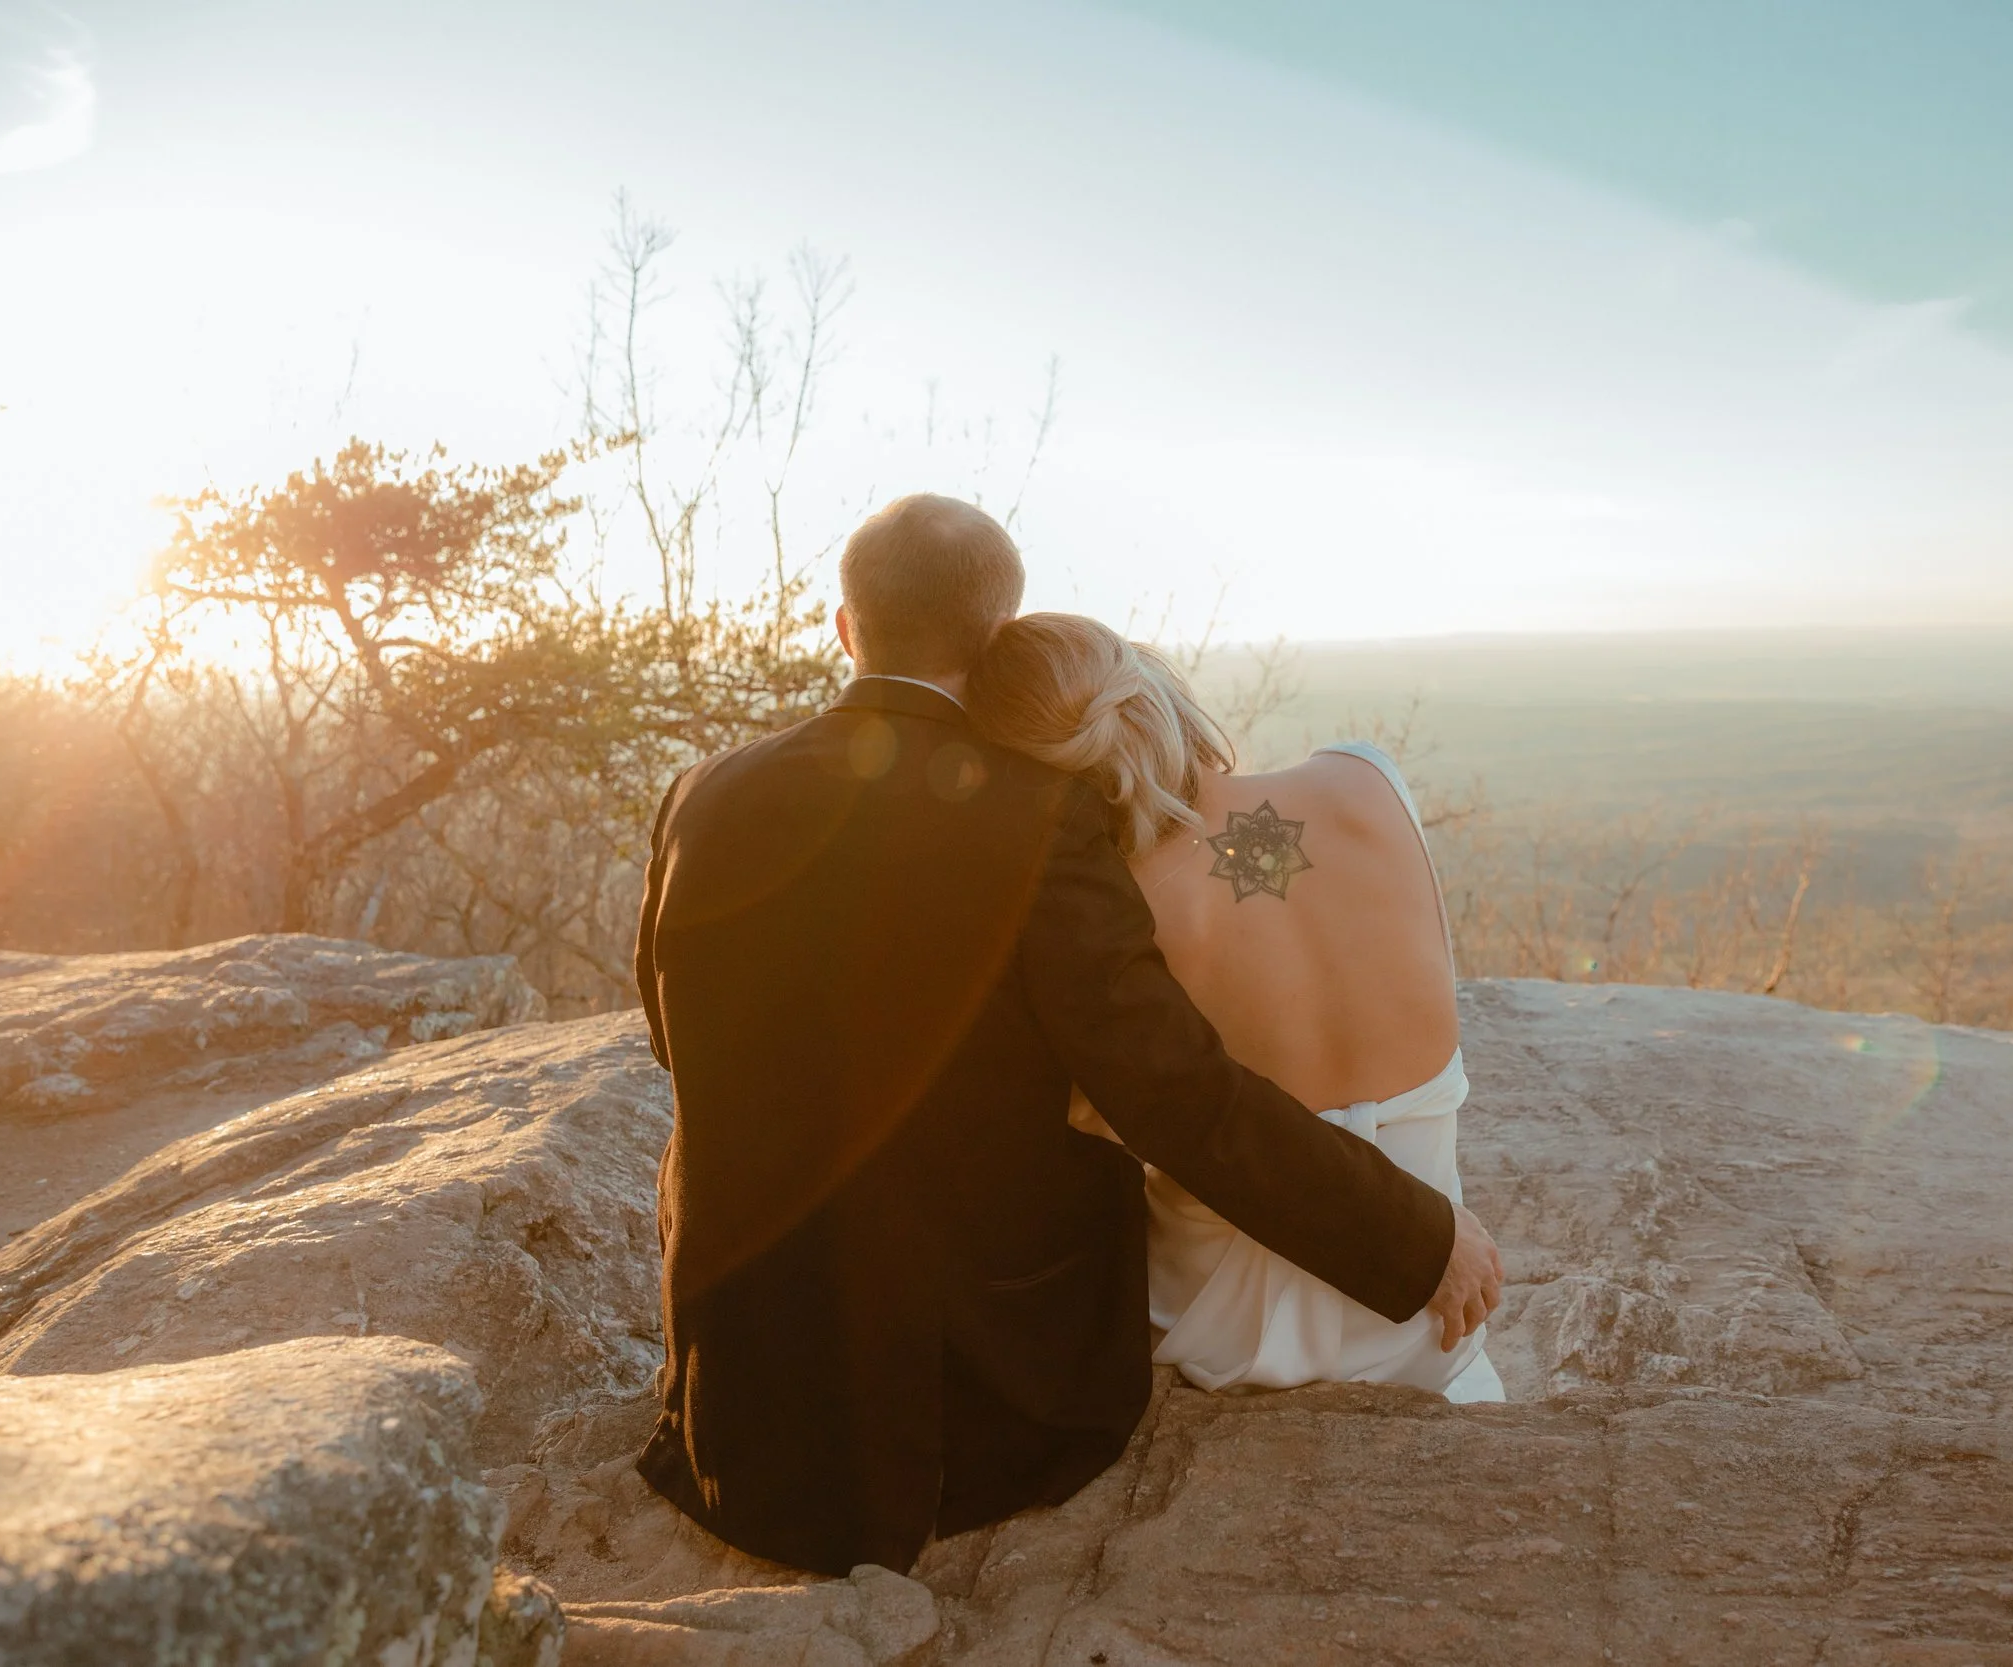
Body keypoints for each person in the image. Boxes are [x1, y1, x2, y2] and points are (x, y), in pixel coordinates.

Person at [633, 494, 1504, 1577]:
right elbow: (1171, 1092)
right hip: (980, 1416)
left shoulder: (702, 793)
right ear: (996, 632)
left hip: (744, 1401)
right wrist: (1416, 1239)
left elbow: (675, 1040)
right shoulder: (1039, 818)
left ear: (847, 626)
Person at [966, 614, 1504, 1403]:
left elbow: (1098, 1122)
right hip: (1429, 1325)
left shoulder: (1113, 929)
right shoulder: (1367, 778)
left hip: (1219, 1336)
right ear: (1156, 689)